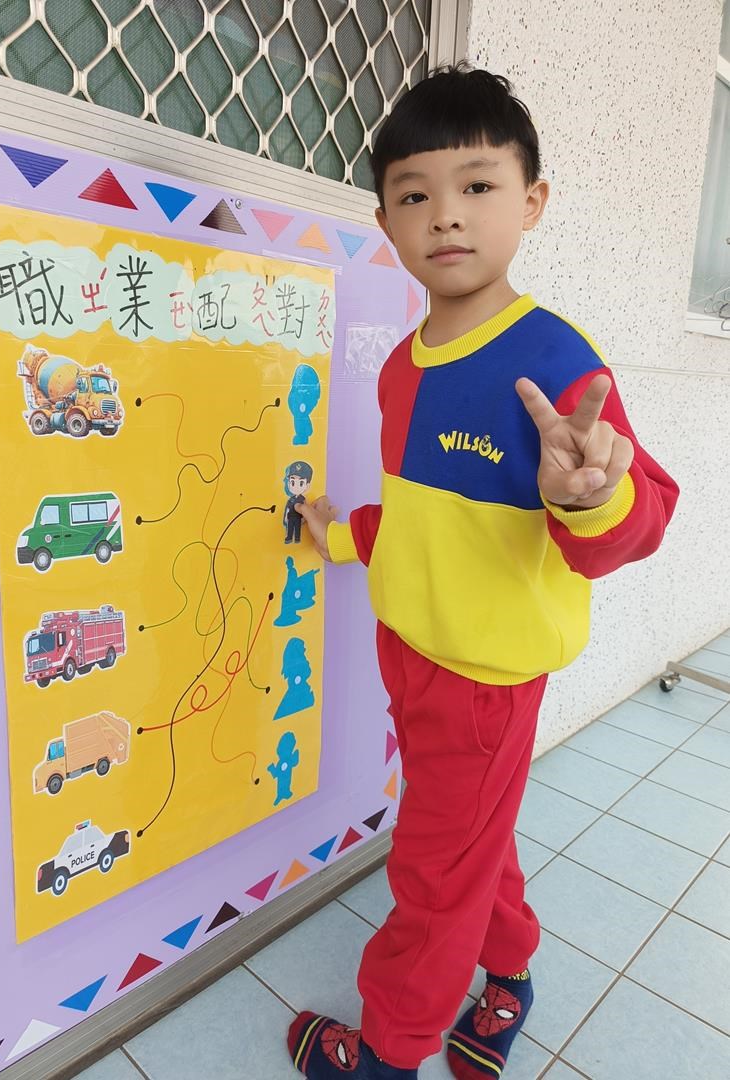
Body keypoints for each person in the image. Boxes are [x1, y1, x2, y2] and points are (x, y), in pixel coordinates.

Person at [286, 63, 679, 1080]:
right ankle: (510, 976)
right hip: (411, 651)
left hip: (483, 683)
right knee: (471, 842)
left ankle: (389, 1051)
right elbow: (423, 521)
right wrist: (337, 537)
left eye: (476, 185)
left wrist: (591, 498)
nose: (446, 215)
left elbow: (639, 522)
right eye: (415, 194)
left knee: (431, 873)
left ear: (532, 200)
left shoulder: (555, 364)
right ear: (385, 220)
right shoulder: (402, 365)